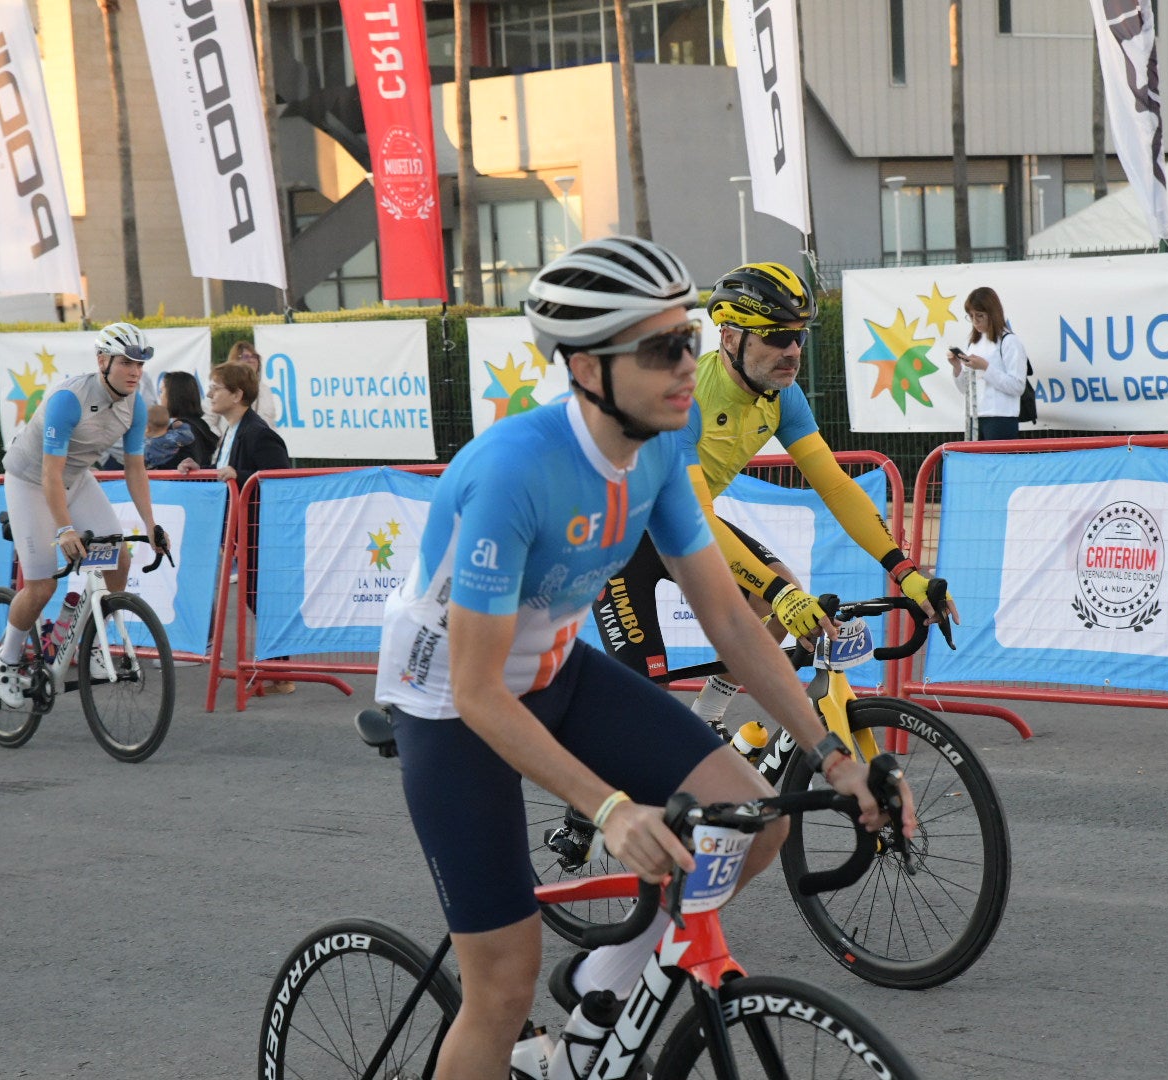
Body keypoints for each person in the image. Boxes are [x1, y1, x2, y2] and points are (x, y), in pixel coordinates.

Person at [373, 237, 916, 1080]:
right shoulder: (512, 473)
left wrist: (835, 757)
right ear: (588, 367)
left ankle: (601, 990)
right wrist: (612, 810)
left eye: (689, 340)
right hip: (454, 705)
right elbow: (479, 690)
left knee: (752, 821)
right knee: (503, 987)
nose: (686, 365)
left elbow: (732, 624)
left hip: (554, 670)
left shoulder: (663, 447)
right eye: (663, 349)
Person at [592, 261, 955, 735]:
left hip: (678, 528)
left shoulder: (783, 397)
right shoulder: (686, 401)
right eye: (775, 336)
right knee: (651, 713)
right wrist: (779, 593)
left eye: (799, 336)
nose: (792, 350)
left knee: (782, 595)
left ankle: (709, 717)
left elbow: (837, 486)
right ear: (729, 338)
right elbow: (694, 516)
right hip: (619, 541)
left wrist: (904, 571)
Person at [0, 322, 170, 709]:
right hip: (30, 480)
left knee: (119, 553)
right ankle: (5, 658)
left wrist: (151, 524)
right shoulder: (69, 400)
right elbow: (48, 474)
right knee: (41, 586)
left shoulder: (135, 404)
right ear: (102, 361)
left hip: (75, 477)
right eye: (126, 363)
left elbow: (135, 469)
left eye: (140, 364)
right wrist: (66, 528)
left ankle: (98, 644)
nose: (135, 371)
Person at [179, 361, 292, 692]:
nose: (210, 393)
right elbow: (222, 471)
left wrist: (239, 476)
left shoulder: (258, 433)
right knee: (256, 597)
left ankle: (281, 673)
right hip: (242, 531)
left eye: (217, 387)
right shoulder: (231, 430)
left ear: (238, 394)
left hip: (260, 532)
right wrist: (197, 467)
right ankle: (277, 670)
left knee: (261, 598)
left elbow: (280, 479)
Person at [947, 285, 1028, 441]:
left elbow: (1018, 386)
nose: (975, 321)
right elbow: (966, 389)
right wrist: (957, 367)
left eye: (979, 316)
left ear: (992, 314)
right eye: (970, 316)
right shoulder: (973, 343)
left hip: (1001, 417)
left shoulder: (1009, 341)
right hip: (975, 417)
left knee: (1000, 464)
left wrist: (985, 367)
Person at [157, 370, 217, 469]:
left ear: (173, 395)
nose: (160, 396)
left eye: (162, 391)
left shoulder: (180, 428)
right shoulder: (200, 424)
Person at [226, 340, 279, 426]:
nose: (251, 360)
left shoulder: (265, 390)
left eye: (254, 356)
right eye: (245, 357)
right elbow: (207, 420)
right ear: (235, 361)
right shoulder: (224, 387)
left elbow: (271, 424)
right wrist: (221, 438)